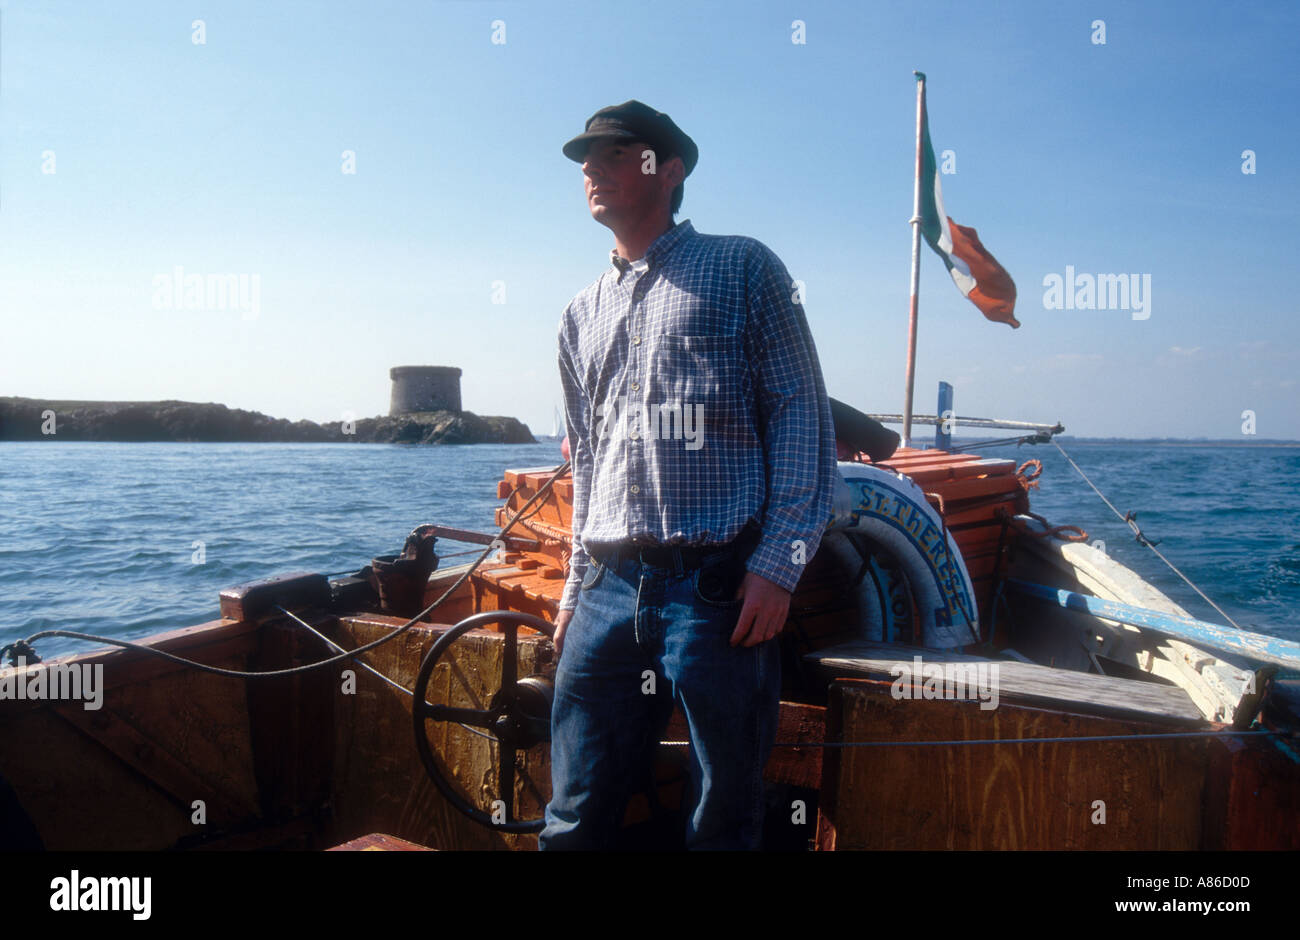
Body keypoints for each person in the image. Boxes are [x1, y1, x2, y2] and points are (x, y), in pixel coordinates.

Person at [541, 100, 838, 850]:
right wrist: (576, 588)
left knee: (721, 820)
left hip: (718, 591)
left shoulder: (744, 268)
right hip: (607, 591)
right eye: (587, 156)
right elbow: (590, 462)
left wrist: (780, 563)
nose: (591, 167)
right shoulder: (578, 315)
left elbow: (802, 414)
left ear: (668, 171)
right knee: (574, 816)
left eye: (615, 153)